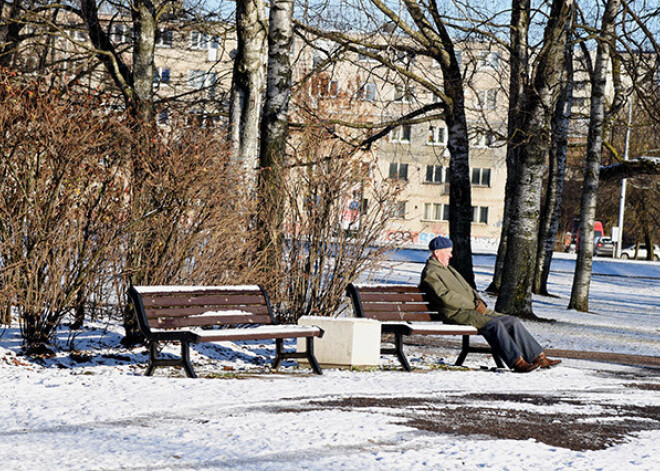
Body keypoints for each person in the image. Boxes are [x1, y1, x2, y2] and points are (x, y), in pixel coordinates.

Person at [419, 235, 561, 373]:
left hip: (470, 310)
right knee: (494, 324)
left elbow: (468, 289)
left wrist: (479, 301)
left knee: (512, 321)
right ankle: (517, 362)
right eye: (448, 252)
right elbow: (444, 297)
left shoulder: (447, 268)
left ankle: (539, 358)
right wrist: (472, 305)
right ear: (437, 253)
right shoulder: (431, 272)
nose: (451, 255)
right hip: (455, 313)